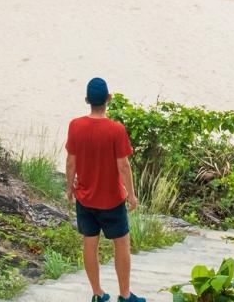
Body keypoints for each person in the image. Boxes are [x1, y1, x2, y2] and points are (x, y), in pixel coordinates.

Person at [66, 77, 142, 302]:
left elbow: (71, 161)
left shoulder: (75, 125)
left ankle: (97, 293)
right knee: (122, 244)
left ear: (87, 100)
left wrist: (69, 188)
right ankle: (125, 295)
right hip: (112, 200)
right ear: (108, 98)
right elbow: (123, 166)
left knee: (89, 244)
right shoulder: (116, 129)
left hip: (85, 198)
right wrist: (132, 195)